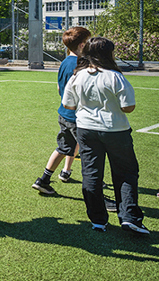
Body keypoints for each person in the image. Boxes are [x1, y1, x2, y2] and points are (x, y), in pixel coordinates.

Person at [62, 37, 148, 235]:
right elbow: (128, 107)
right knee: (126, 173)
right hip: (115, 130)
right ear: (108, 53)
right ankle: (129, 217)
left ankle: (98, 220)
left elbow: (68, 104)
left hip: (86, 129)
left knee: (91, 173)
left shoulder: (78, 75)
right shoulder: (115, 76)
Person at [32, 27, 91, 195]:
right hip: (78, 117)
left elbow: (60, 87)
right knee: (89, 154)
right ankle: (96, 193)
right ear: (81, 45)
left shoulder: (65, 62)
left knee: (63, 148)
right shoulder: (81, 64)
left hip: (64, 114)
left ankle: (43, 179)